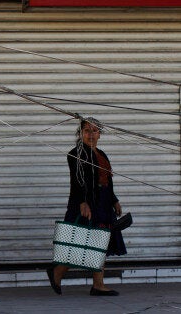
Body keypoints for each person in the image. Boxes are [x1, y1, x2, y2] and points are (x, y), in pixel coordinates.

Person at [46, 117, 126, 297]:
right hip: (87, 203)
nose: (91, 134)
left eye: (95, 130)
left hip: (103, 202)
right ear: (81, 133)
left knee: (100, 242)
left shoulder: (102, 154)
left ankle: (98, 284)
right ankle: (57, 271)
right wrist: (82, 202)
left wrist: (114, 200)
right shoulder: (75, 153)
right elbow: (77, 181)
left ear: (100, 134)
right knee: (80, 242)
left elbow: (107, 180)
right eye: (87, 130)